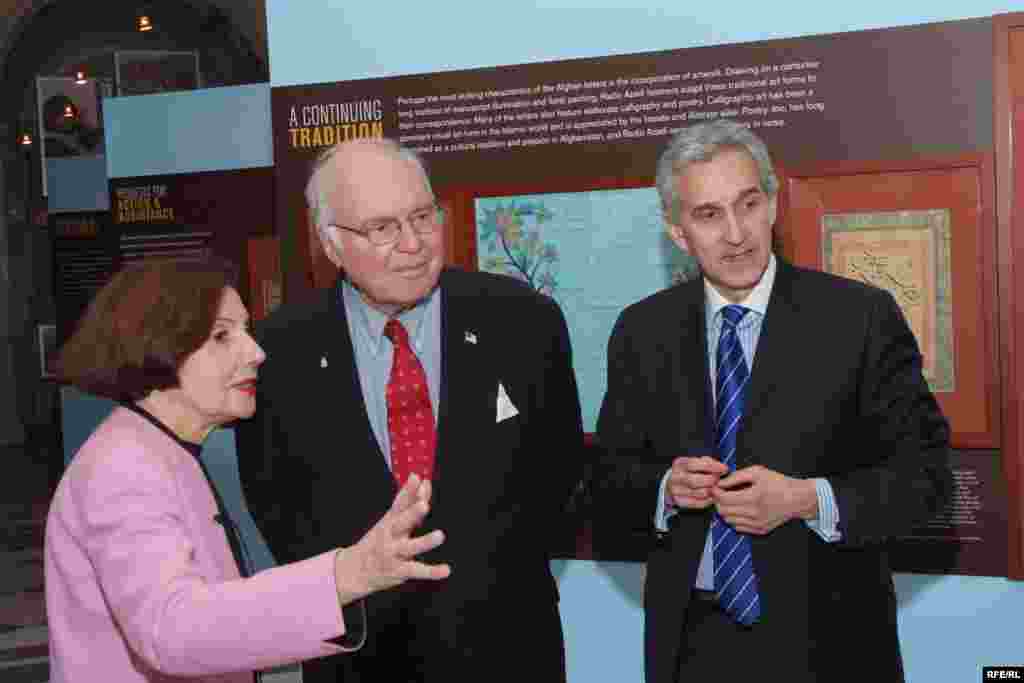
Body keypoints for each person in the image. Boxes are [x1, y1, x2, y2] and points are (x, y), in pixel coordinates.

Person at [589, 120, 951, 683]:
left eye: (748, 204)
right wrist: (665, 488)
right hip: (693, 648)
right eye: (709, 215)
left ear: (773, 204)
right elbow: (607, 486)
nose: (736, 233)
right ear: (677, 232)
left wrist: (809, 499)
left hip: (830, 647)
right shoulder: (642, 332)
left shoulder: (858, 319)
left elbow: (927, 481)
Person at [236, 138, 585, 683]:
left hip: (506, 649)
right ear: (332, 244)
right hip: (358, 657)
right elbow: (276, 503)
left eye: (423, 217)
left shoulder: (523, 322)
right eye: (382, 228)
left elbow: (558, 475)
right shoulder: (280, 352)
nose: (414, 243)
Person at [45, 257, 450, 683]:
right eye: (222, 336)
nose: (256, 353)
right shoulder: (124, 467)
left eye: (245, 332)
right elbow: (171, 630)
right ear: (158, 343)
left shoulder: (160, 450)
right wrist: (346, 575)